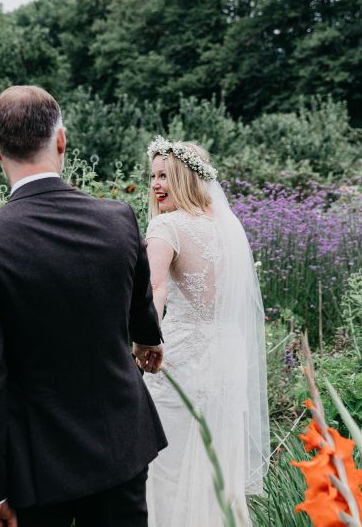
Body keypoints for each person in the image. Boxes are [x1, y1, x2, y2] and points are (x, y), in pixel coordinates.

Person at [0, 85, 167, 527]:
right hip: (120, 448)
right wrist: (148, 339)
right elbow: (138, 303)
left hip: (37, 468)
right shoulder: (118, 218)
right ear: (61, 140)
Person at [143, 137, 269, 527]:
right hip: (226, 358)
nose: (155, 185)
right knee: (216, 457)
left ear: (185, 177)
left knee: (168, 460)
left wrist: (144, 339)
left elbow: (155, 289)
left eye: (165, 175)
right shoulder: (228, 226)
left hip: (178, 359)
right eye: (153, 176)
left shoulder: (166, 226)